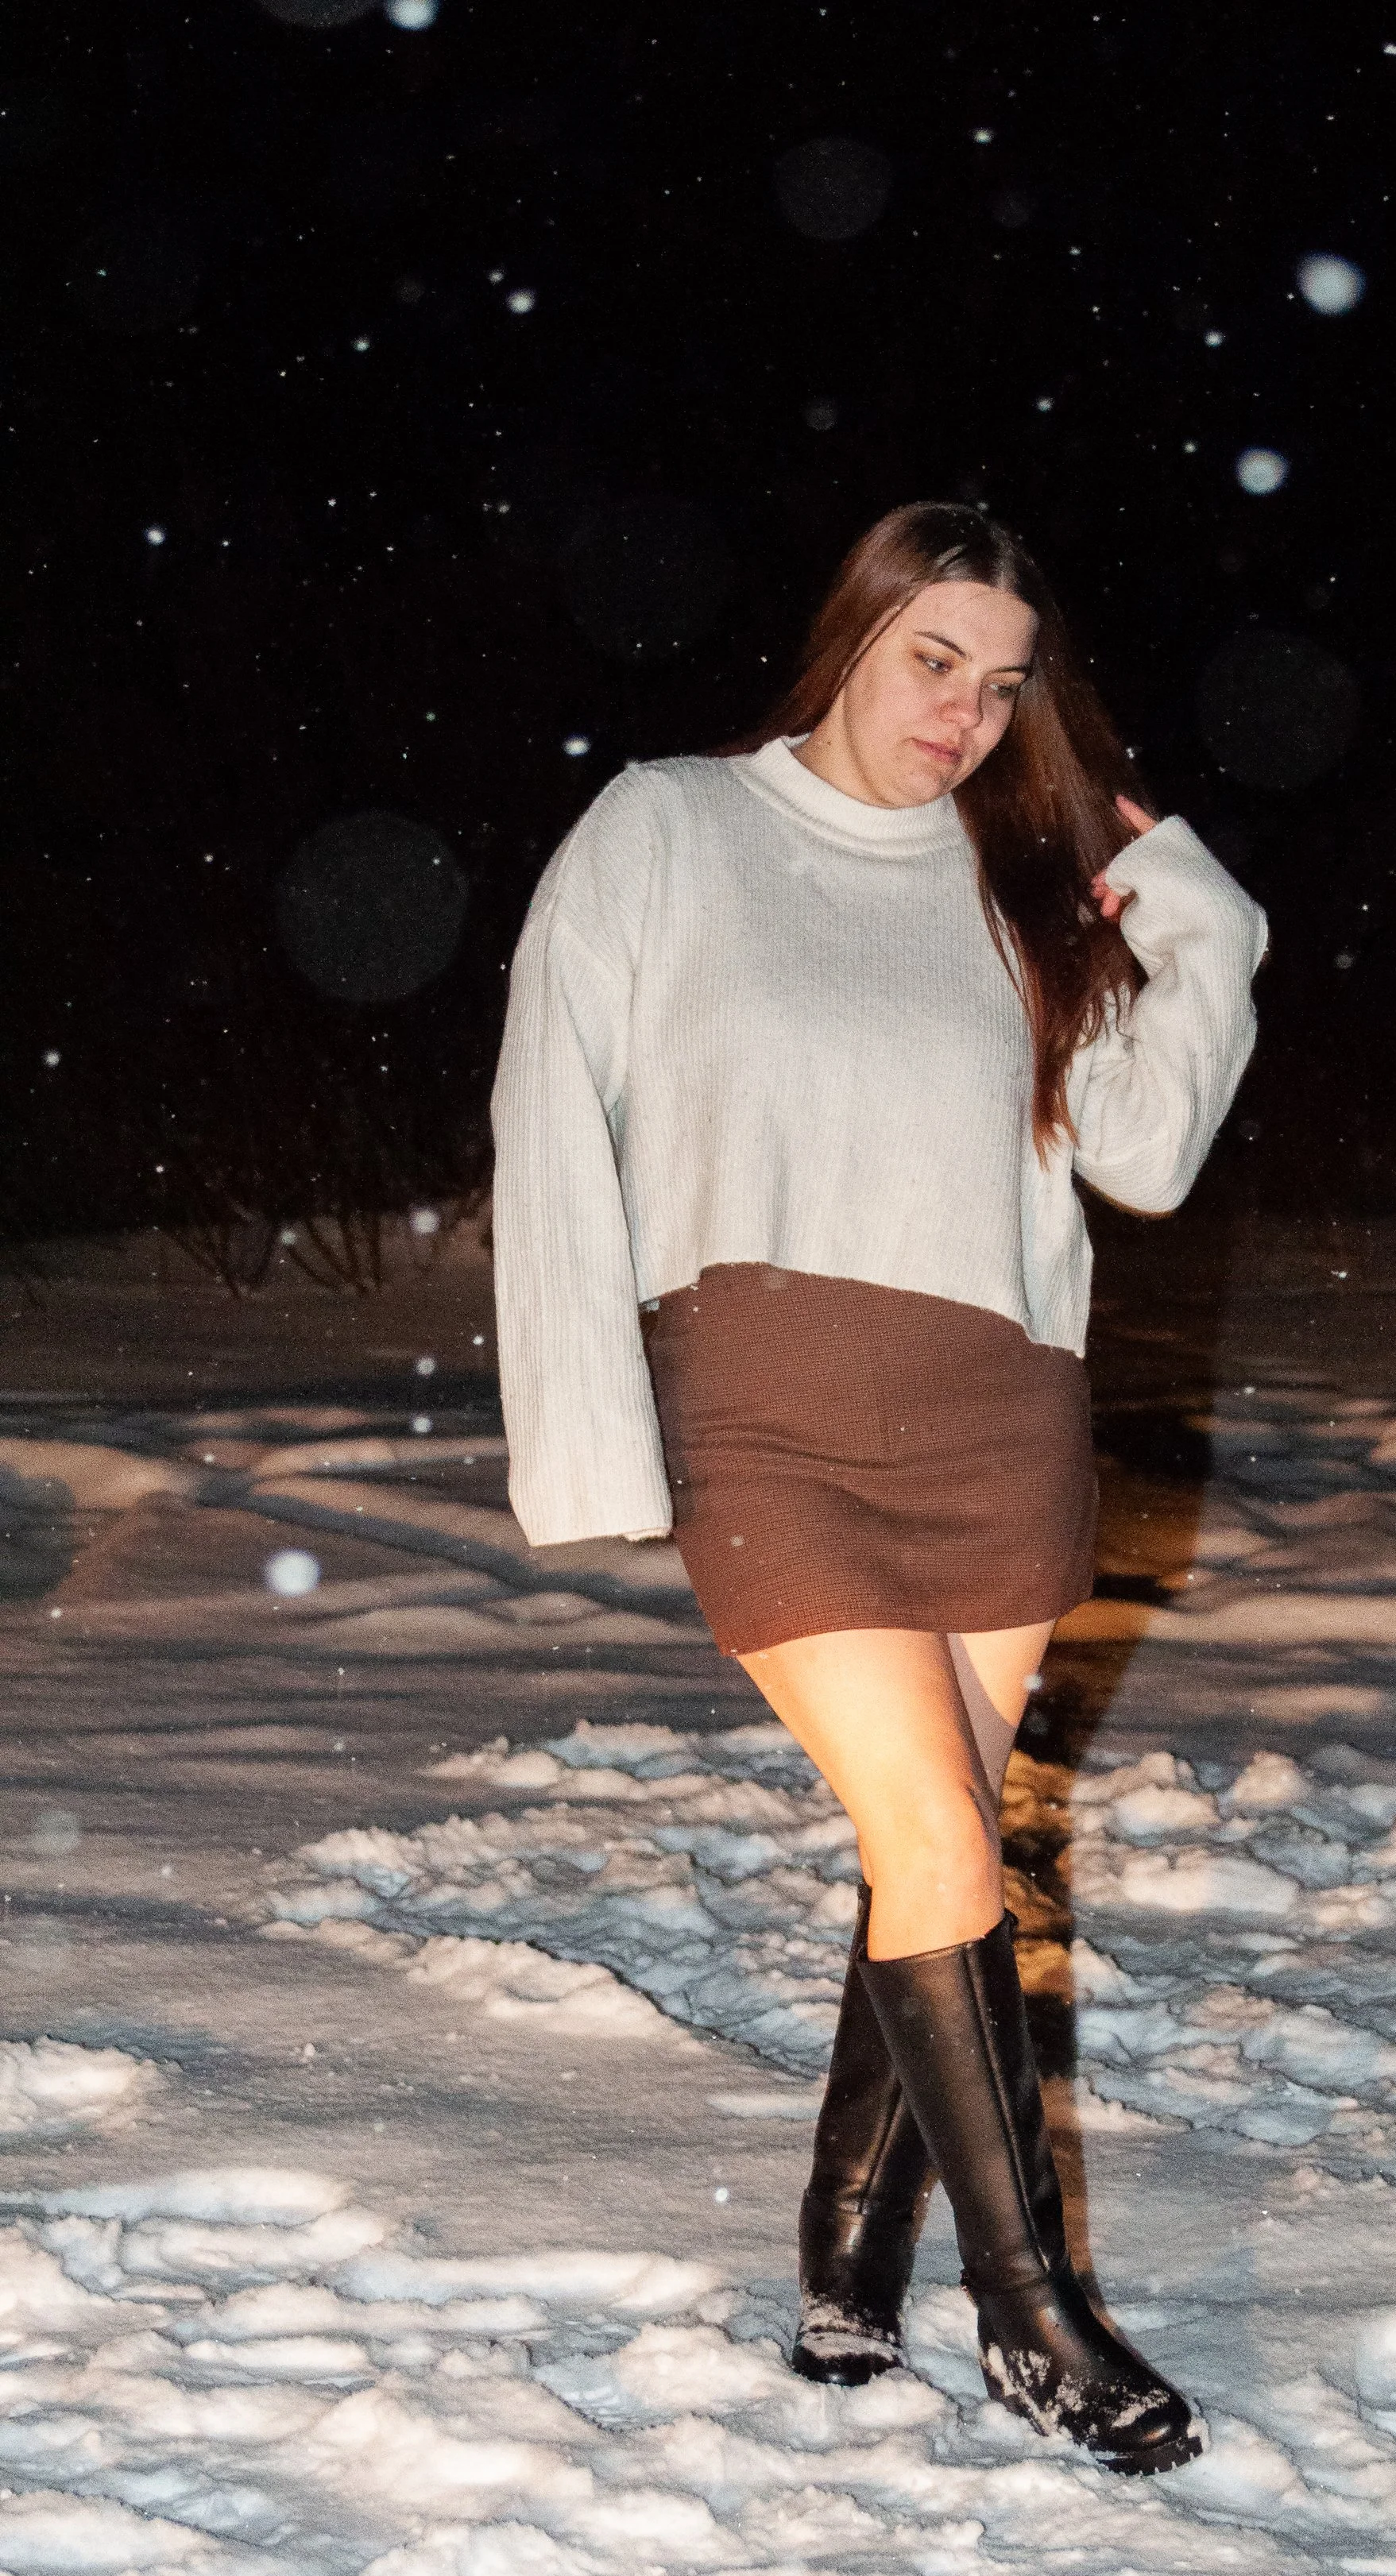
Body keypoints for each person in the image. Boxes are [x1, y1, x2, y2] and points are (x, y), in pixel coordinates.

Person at [493, 500, 1266, 2475]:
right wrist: (590, 1436)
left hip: (994, 1410)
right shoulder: (667, 829)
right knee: (936, 1833)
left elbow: (1148, 1155)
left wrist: (1190, 905)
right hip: (764, 1406)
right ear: (849, 630)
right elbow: (550, 1120)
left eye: (1003, 684)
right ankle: (1033, 2319)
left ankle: (849, 2256)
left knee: (924, 1853)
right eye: (934, 660)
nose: (963, 712)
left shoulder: (1010, 888)